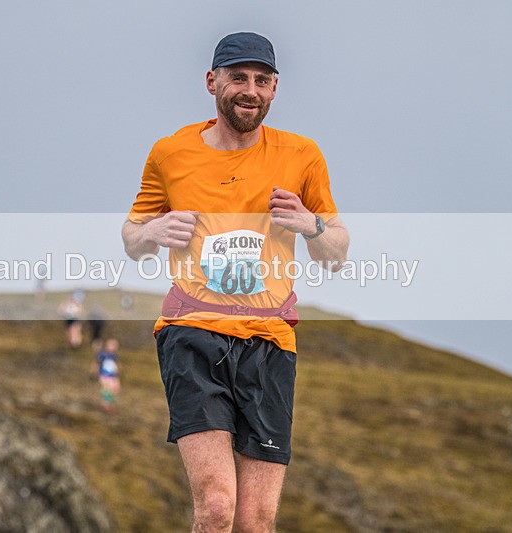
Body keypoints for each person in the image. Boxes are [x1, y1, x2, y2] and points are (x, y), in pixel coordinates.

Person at [121, 32, 349, 531]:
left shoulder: (302, 155)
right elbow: (132, 236)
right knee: (218, 506)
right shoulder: (170, 153)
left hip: (270, 341)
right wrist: (152, 231)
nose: (251, 89)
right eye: (238, 78)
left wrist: (311, 224)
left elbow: (336, 252)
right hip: (192, 333)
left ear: (274, 89)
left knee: (255, 520)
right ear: (212, 82)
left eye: (262, 80)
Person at [92, 338, 121, 413]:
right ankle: (105, 404)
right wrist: (95, 372)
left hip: (112, 375)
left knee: (115, 389)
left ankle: (110, 403)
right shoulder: (102, 354)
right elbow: (97, 363)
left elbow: (116, 364)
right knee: (106, 389)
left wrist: (118, 370)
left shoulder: (114, 355)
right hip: (104, 375)